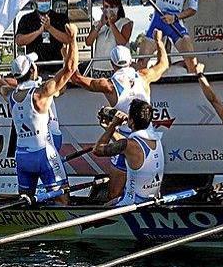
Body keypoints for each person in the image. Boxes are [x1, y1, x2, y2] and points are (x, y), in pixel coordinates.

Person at [0, 23, 78, 202]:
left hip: (22, 157)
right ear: (33, 70)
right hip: (44, 154)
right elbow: (70, 69)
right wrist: (72, 39)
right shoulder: (41, 93)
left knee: (26, 201)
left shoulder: (9, 94)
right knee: (63, 200)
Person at [69, 30, 169, 200]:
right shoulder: (144, 76)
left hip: (123, 142)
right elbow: (164, 63)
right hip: (148, 141)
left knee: (113, 192)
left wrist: (71, 42)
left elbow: (75, 77)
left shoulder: (108, 85)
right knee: (149, 190)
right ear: (130, 61)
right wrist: (159, 41)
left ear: (112, 64)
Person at [92, 100, 164, 206]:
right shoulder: (155, 139)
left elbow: (97, 150)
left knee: (103, 209)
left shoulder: (129, 145)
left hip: (132, 203)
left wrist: (113, 126)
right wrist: (110, 129)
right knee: (107, 205)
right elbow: (127, 145)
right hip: (152, 199)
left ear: (131, 121)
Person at [15, 0, 71, 77]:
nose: (44, 2)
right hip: (34, 68)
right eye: (40, 0)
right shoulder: (26, 19)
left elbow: (68, 39)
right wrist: (38, 32)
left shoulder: (61, 18)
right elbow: (19, 41)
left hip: (57, 67)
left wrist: (49, 28)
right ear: (35, 2)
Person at [85, 0, 133, 76]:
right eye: (106, 7)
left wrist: (111, 24)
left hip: (117, 67)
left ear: (118, 8)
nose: (109, 9)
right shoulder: (97, 24)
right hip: (98, 67)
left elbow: (122, 43)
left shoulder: (125, 23)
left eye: (112, 7)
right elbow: (88, 42)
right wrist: (100, 25)